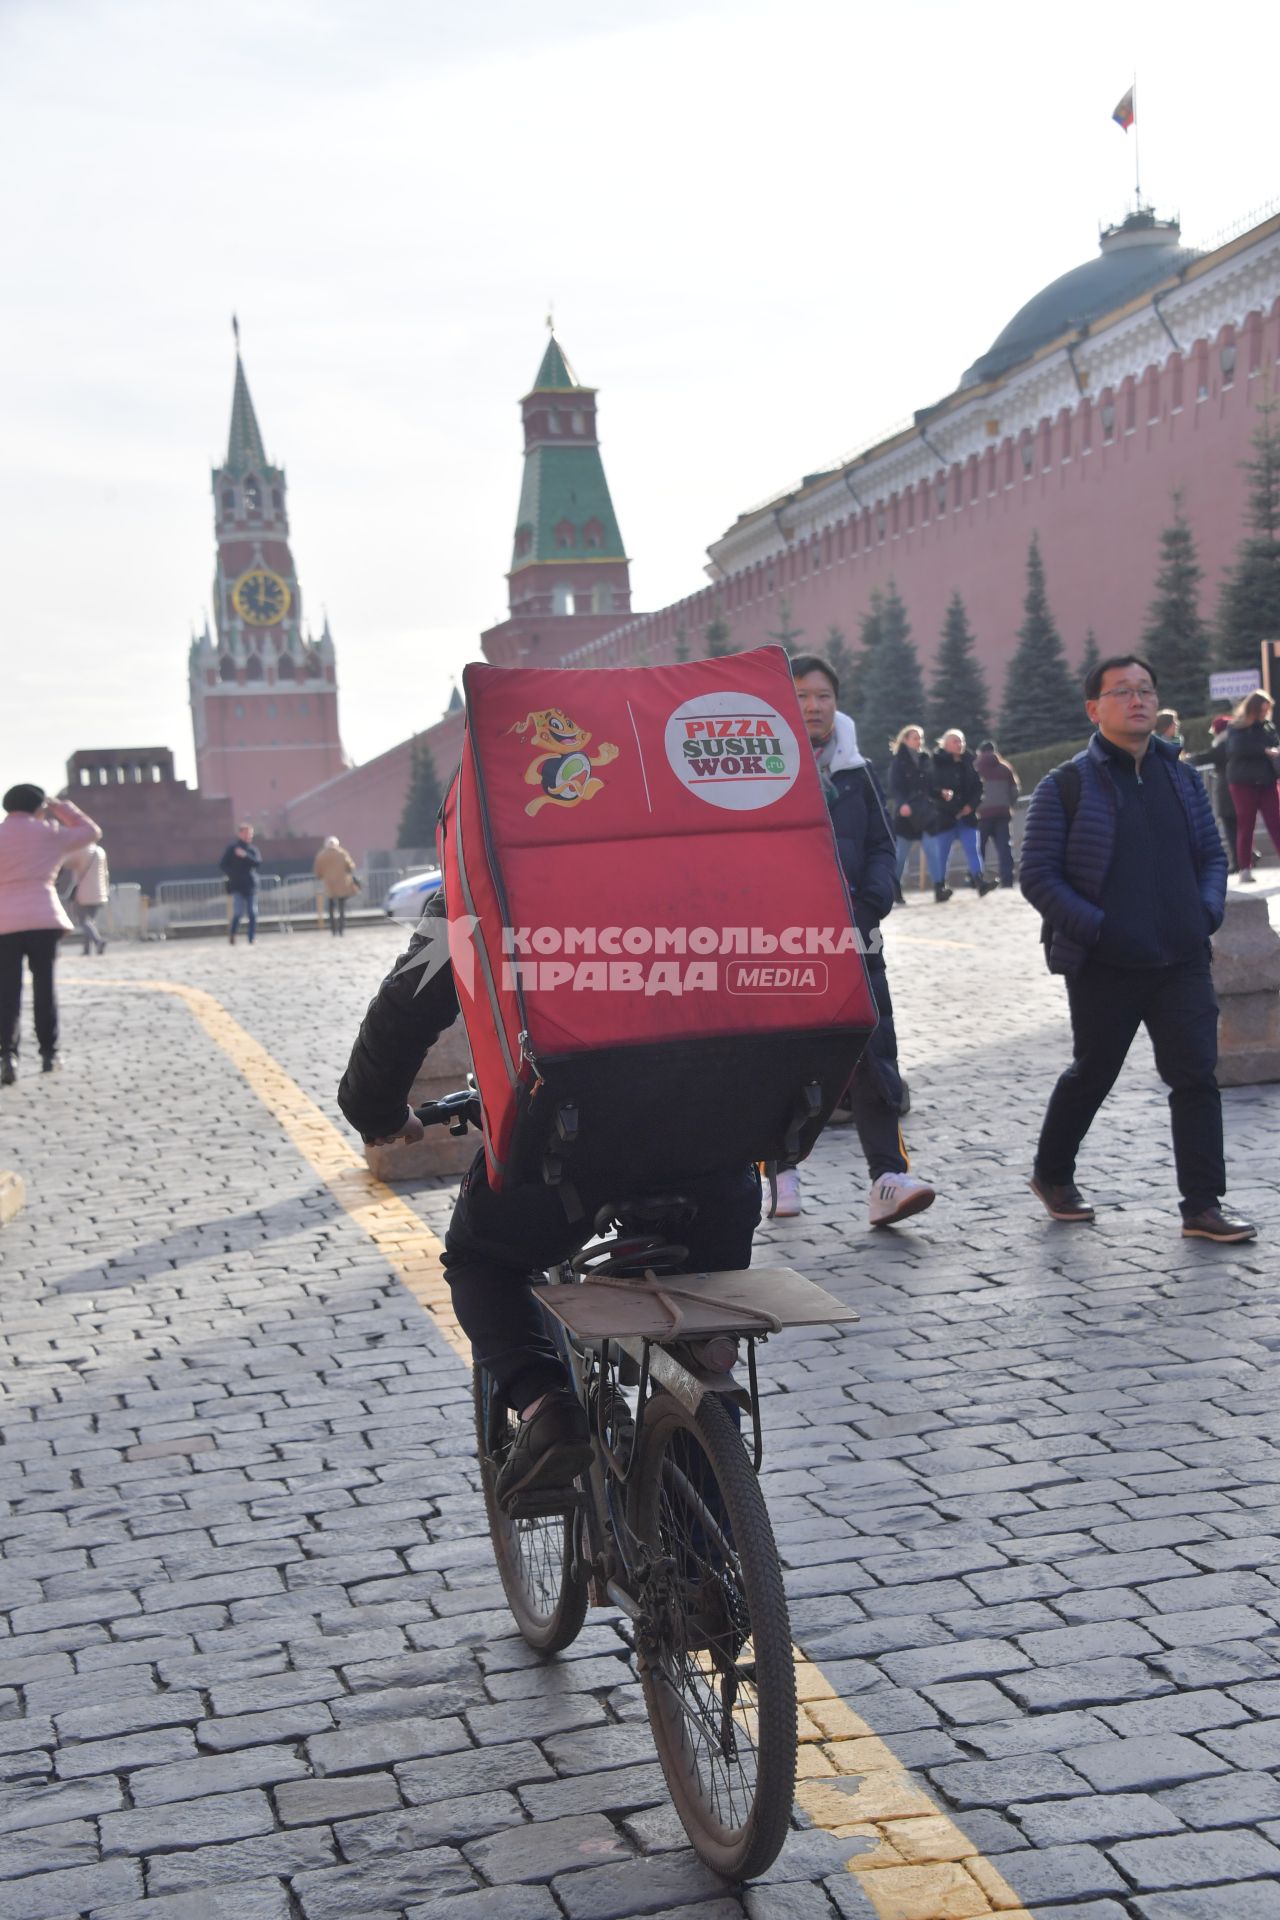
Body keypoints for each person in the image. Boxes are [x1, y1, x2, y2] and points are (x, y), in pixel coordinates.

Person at [337, 888, 761, 1499]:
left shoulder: (489, 863)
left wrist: (376, 1111)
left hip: (573, 1147)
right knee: (698, 1333)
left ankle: (544, 1407)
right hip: (719, 1139)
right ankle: (713, 1560)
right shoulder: (706, 845)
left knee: (480, 1259)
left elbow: (405, 1006)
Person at [1021, 652, 1255, 1245]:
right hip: (1105, 963)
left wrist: (1205, 911)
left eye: (1146, 689)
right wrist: (1099, 928)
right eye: (1122, 691)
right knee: (1093, 1072)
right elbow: (1039, 875)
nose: (1138, 699)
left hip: (1180, 959)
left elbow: (1212, 855)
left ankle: (1202, 1206)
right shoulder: (1066, 784)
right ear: (1094, 708)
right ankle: (1052, 1173)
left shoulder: (1181, 774)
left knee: (1196, 1078)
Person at [781, 656, 936, 1227]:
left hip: (856, 936)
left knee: (874, 1054)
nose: (814, 707)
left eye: (823, 696)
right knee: (785, 1058)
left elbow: (880, 844)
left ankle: (887, 1178)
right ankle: (780, 1170)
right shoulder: (761, 774)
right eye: (801, 696)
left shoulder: (856, 771)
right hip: (785, 941)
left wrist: (871, 903)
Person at [0, 784, 101, 1083]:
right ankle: (49, 1053)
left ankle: (8, 1055)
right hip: (43, 919)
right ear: (39, 806)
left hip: (4, 922)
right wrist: (61, 807)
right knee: (44, 988)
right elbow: (91, 832)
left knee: (7, 992)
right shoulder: (49, 833)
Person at [924, 730, 997, 902]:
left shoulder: (969, 762)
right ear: (945, 744)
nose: (960, 744)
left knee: (973, 848)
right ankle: (940, 887)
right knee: (942, 853)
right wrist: (941, 794)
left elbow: (979, 788)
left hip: (967, 815)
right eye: (956, 741)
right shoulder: (935, 763)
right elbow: (929, 788)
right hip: (944, 815)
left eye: (962, 741)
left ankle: (979, 881)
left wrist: (970, 806)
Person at [1224, 689, 1280, 883]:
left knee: (1276, 823)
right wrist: (1265, 750)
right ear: (1253, 709)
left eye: (1267, 710)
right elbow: (1236, 749)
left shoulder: (1268, 726)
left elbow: (1275, 744)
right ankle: (1245, 868)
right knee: (1246, 825)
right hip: (1243, 781)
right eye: (1261, 710)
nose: (1264, 714)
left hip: (1266, 780)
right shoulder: (1237, 727)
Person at [886, 724, 935, 898]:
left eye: (920, 738)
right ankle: (894, 889)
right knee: (901, 856)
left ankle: (939, 887)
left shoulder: (926, 759)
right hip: (906, 814)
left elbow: (931, 784)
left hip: (925, 813)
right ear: (905, 740)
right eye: (915, 738)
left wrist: (940, 793)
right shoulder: (898, 761)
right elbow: (895, 787)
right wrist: (903, 804)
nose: (919, 741)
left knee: (934, 850)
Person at [1192, 715, 1239, 874]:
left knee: (1230, 826)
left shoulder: (1223, 745)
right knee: (1241, 826)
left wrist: (1187, 759)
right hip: (1236, 788)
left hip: (1226, 790)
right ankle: (1247, 856)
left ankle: (1237, 861)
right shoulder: (1235, 741)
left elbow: (1205, 757)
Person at [974, 740, 1021, 888]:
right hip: (1002, 812)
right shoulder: (1005, 768)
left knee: (977, 848)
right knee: (1004, 848)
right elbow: (1015, 790)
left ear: (980, 752)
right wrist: (1009, 804)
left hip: (981, 814)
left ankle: (977, 880)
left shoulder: (975, 767)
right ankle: (1007, 880)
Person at [219, 823, 261, 945]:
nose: (249, 835)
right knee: (238, 912)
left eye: (251, 833)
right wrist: (232, 874)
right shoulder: (232, 848)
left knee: (252, 912)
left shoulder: (252, 849)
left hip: (250, 884)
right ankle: (233, 934)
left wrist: (245, 855)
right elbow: (222, 864)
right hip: (236, 885)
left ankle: (251, 937)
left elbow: (257, 863)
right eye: (247, 833)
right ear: (240, 833)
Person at [314, 836, 359, 936]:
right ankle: (341, 929)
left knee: (330, 908)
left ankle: (333, 930)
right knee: (341, 908)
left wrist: (323, 876)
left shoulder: (321, 855)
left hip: (329, 885)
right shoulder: (342, 853)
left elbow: (317, 871)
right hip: (342, 884)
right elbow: (351, 866)